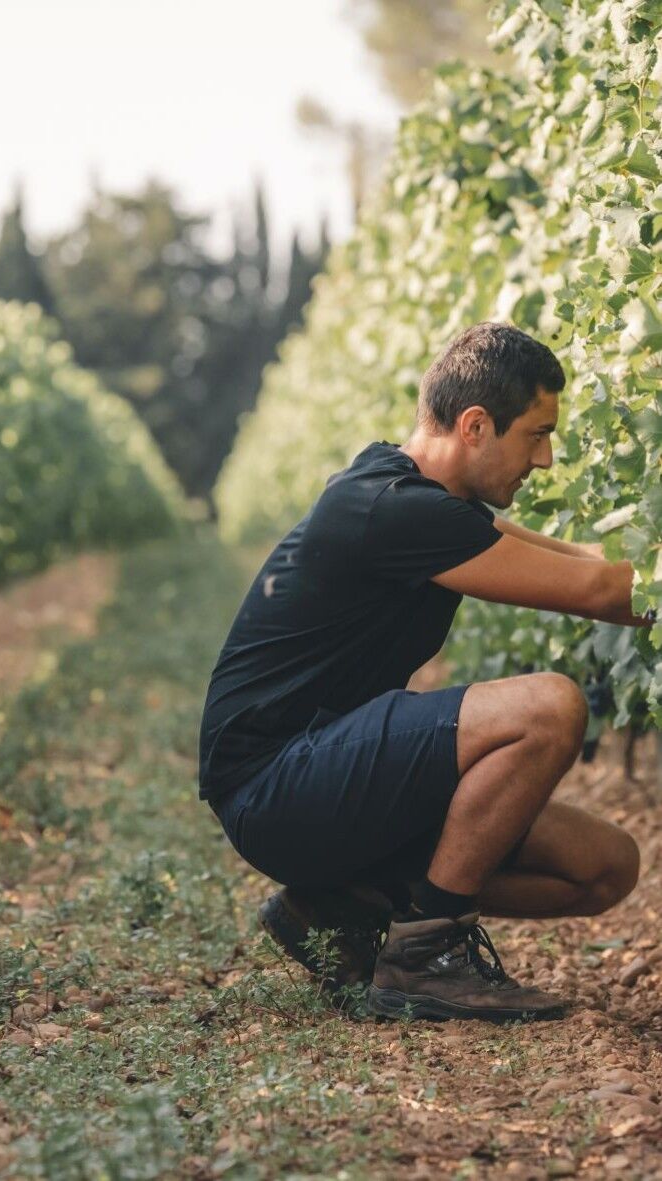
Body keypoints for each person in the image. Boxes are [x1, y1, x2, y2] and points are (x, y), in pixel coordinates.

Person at [199, 321, 647, 1022]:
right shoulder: (394, 510)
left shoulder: (420, 495)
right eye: (534, 434)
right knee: (549, 706)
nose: (547, 459)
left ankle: (344, 900)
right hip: (276, 784)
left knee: (604, 865)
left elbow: (580, 559)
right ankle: (425, 953)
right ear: (474, 425)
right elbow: (595, 594)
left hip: (324, 772)